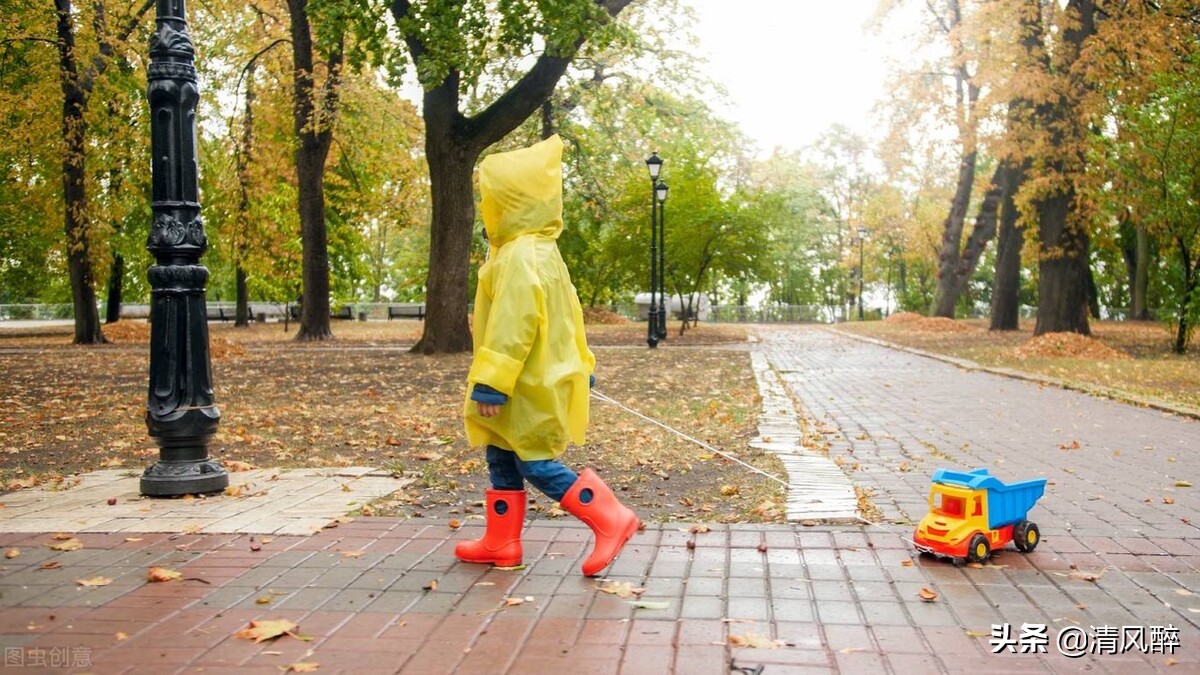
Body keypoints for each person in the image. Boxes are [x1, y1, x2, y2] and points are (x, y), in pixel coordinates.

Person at [456, 134, 639, 577]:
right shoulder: (541, 251)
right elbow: (568, 316)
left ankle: (610, 517)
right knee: (501, 453)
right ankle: (503, 543)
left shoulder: (520, 255)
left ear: (509, 202)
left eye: (492, 200)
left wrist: (492, 382)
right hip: (541, 375)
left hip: (526, 383)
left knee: (532, 459)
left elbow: (512, 324)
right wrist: (583, 363)